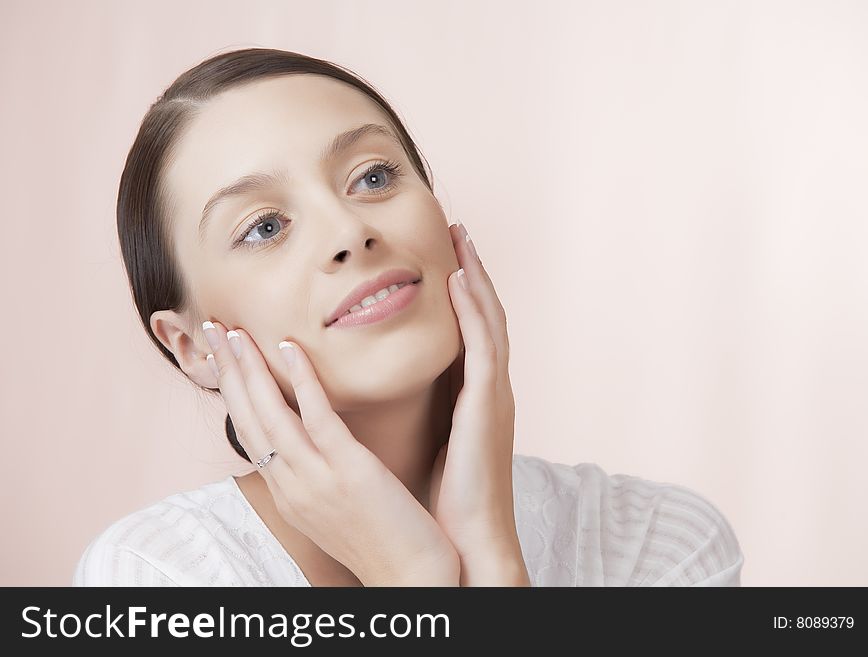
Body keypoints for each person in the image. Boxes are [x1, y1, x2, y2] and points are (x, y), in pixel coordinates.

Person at [73, 48, 744, 587]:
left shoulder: (658, 547)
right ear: (191, 345)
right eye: (265, 226)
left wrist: (495, 567)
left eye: (372, 176)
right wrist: (412, 578)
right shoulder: (155, 579)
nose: (348, 230)